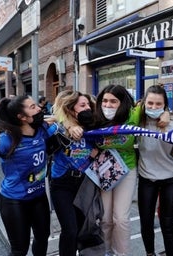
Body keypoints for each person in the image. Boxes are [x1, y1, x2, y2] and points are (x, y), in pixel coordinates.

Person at [0, 95, 55, 256]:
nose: (39, 109)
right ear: (21, 117)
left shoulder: (42, 129)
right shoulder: (7, 139)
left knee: (42, 238)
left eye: (36, 105)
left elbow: (59, 119)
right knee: (19, 250)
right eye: (32, 107)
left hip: (39, 197)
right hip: (14, 201)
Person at [94, 84, 141, 256]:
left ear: (123, 102)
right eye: (105, 100)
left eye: (114, 101)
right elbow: (65, 118)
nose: (108, 105)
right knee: (105, 219)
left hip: (127, 169)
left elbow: (156, 107)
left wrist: (165, 114)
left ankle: (120, 253)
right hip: (104, 170)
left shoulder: (134, 115)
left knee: (120, 219)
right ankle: (105, 251)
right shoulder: (94, 118)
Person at [50, 90, 98, 256]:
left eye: (88, 106)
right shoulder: (58, 128)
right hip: (62, 184)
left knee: (80, 228)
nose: (87, 109)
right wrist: (67, 125)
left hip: (84, 183)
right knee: (69, 230)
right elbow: (45, 123)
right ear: (70, 109)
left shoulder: (91, 127)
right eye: (82, 106)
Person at [137, 85, 173, 256]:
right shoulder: (137, 121)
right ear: (143, 103)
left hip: (170, 177)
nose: (154, 108)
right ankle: (150, 253)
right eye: (150, 103)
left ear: (165, 105)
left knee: (167, 223)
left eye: (158, 104)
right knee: (146, 222)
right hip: (146, 177)